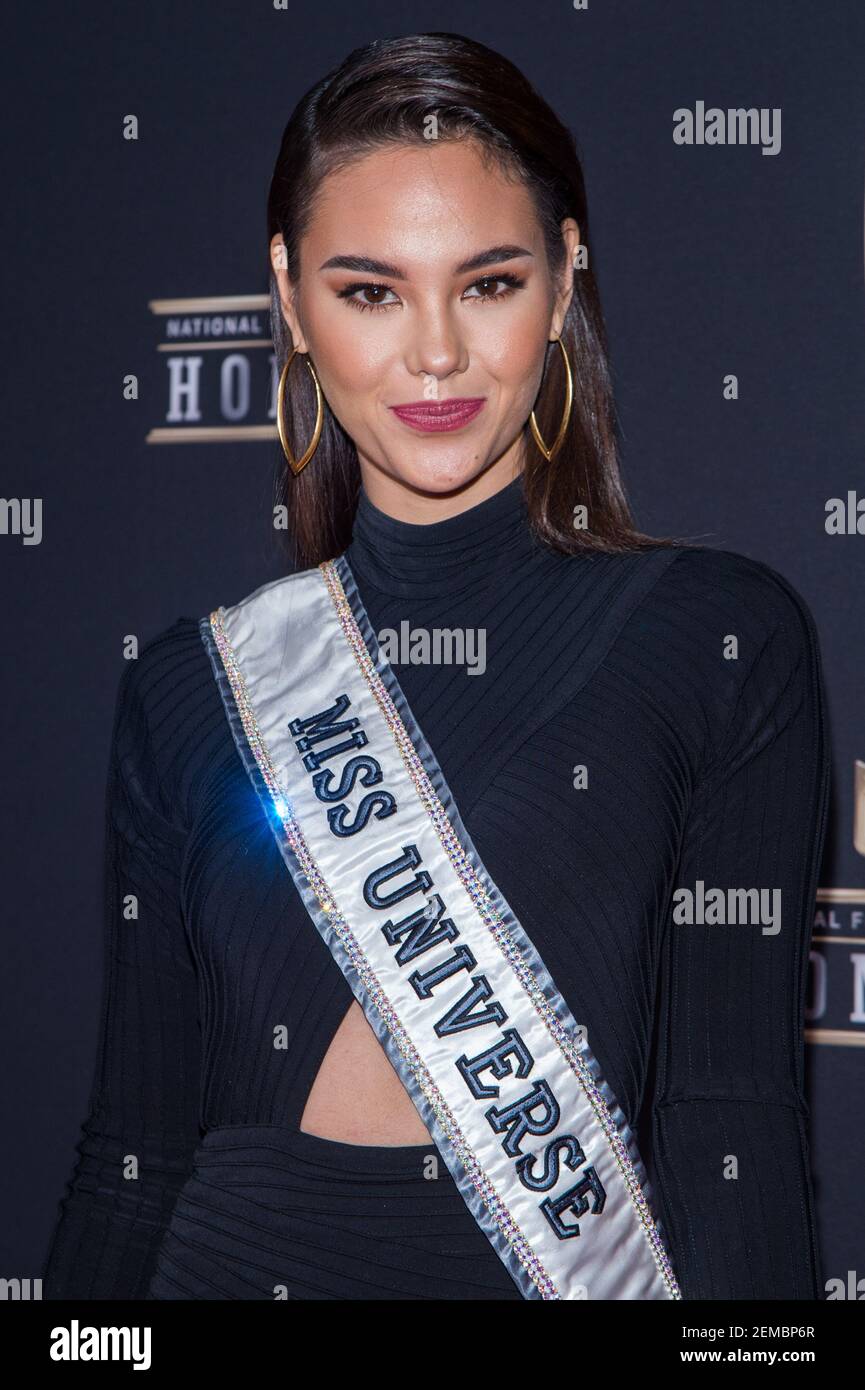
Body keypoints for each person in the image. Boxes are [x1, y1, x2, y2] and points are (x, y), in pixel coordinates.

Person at [42, 32, 828, 1301]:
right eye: (369, 291)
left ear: (565, 278)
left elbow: (726, 1126)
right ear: (289, 298)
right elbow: (131, 1153)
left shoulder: (720, 641)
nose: (435, 355)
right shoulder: (194, 687)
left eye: (487, 282)